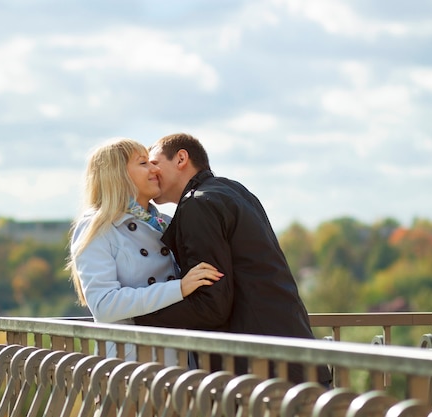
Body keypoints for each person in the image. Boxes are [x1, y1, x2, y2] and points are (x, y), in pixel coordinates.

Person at [133, 133, 332, 386]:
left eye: (154, 162)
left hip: (256, 373)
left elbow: (211, 305)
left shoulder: (198, 205)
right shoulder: (234, 191)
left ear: (181, 158)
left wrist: (139, 318)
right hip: (292, 356)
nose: (150, 171)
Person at [67, 137, 223, 361]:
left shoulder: (167, 222)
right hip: (131, 365)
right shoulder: (97, 227)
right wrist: (179, 288)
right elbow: (105, 305)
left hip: (179, 359)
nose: (154, 168)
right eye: (143, 163)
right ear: (118, 174)